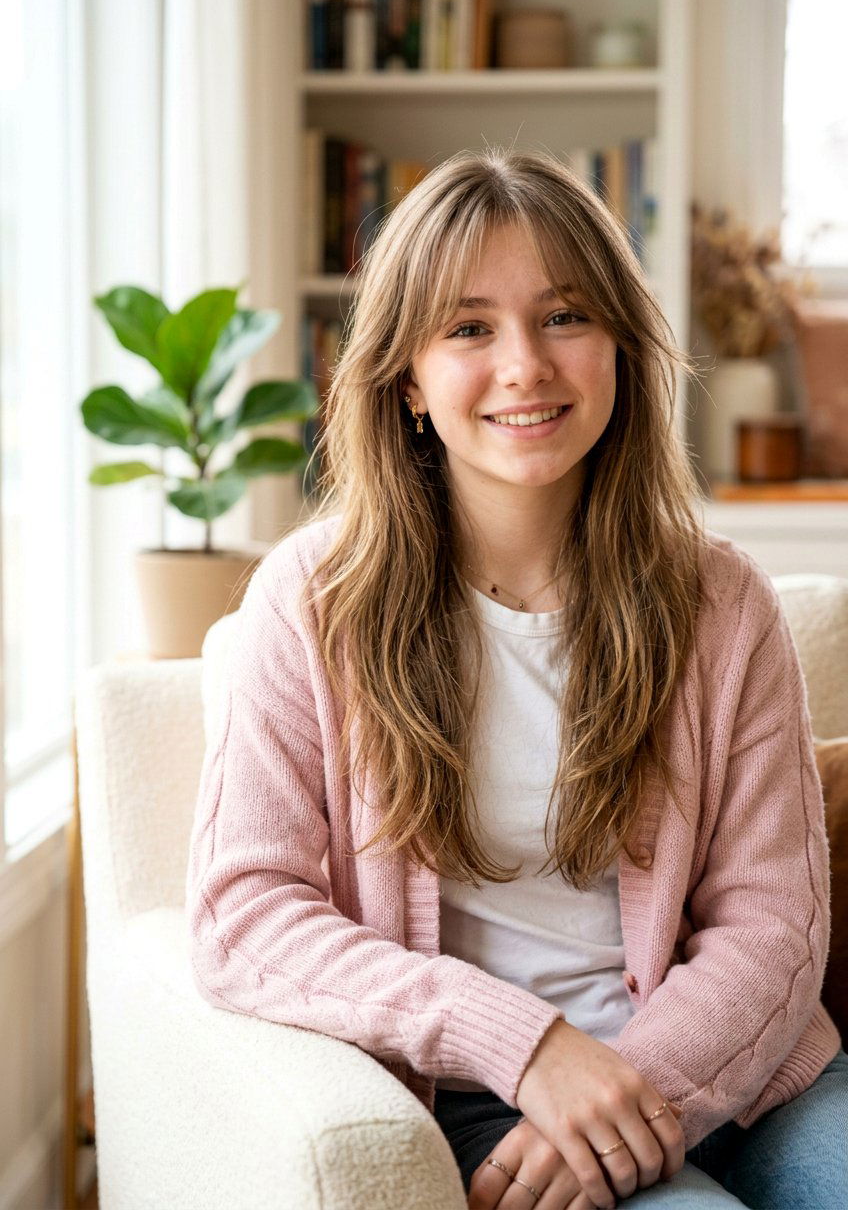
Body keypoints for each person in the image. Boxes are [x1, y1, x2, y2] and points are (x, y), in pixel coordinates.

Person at [185, 148, 847, 1209]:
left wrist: (628, 1095)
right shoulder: (309, 601)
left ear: (619, 348)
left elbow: (772, 927)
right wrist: (525, 1046)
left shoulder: (723, 605)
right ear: (406, 377)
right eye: (468, 328)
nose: (525, 365)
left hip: (745, 1078)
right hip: (483, 1097)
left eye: (564, 316)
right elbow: (245, 913)